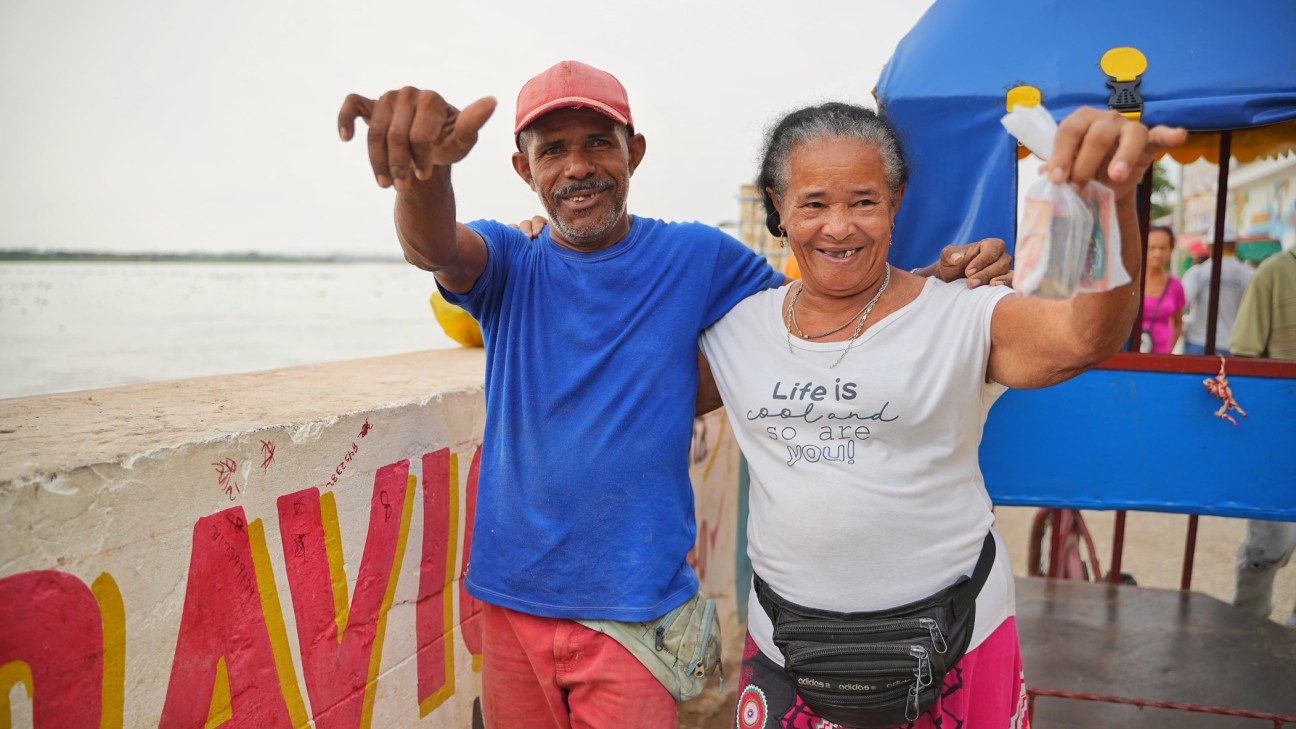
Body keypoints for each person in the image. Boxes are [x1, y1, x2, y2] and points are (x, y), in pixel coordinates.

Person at [336, 61, 1011, 728]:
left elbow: (822, 318)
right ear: (524, 170)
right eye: (553, 150)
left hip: (641, 609)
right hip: (513, 599)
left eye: (599, 142)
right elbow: (434, 247)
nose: (577, 167)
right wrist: (426, 175)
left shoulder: (698, 257)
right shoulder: (510, 260)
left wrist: (927, 286)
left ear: (635, 152)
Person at [697, 102, 1184, 728]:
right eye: (814, 203)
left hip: (958, 649)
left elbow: (1085, 337)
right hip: (788, 658)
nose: (839, 227)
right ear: (778, 206)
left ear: (896, 202)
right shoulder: (739, 330)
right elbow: (636, 395)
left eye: (864, 202)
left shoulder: (962, 313)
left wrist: (1110, 206)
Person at [1229, 245, 1296, 627]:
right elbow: (1245, 355)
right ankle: (1247, 629)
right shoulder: (1272, 273)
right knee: (1271, 544)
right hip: (1281, 433)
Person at [1181, 224, 1255, 355]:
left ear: (1209, 247)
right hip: (1234, 345)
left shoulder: (1197, 273)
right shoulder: (1249, 274)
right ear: (1234, 246)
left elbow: (1181, 305)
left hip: (1198, 342)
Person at [1140, 225, 1186, 353]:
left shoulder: (1175, 285)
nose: (1157, 253)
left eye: (1163, 248)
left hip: (1161, 355)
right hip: (1130, 352)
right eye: (1152, 248)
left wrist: (1169, 348)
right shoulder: (1131, 283)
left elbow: (1178, 323)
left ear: (1171, 250)